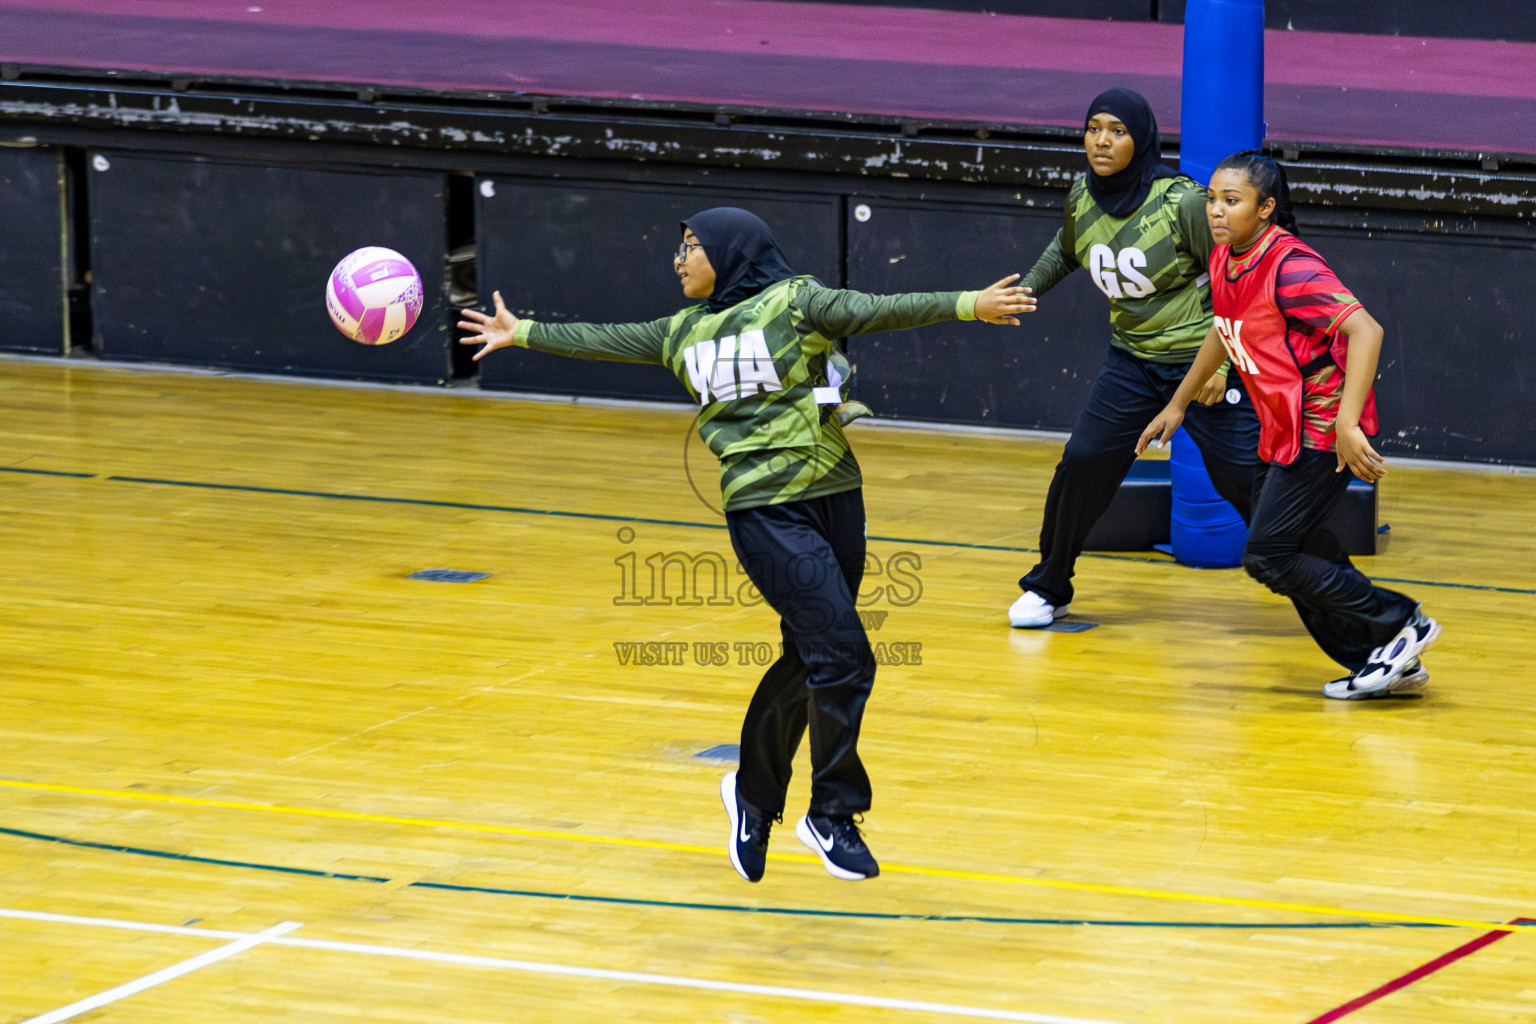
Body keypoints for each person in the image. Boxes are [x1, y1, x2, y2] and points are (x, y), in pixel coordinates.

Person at [458, 207, 1034, 880]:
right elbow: (601, 338)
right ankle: (833, 813)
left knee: (810, 657)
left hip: (836, 498)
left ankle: (753, 797)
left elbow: (878, 309)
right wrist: (521, 331)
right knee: (845, 656)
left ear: (731, 252)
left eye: (691, 246)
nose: (679, 260)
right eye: (679, 248)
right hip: (763, 514)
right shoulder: (679, 331)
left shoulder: (796, 303)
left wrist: (969, 303)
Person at [1138, 152, 1439, 699]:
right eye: (1212, 199)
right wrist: (1178, 404)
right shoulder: (1225, 257)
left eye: (1232, 201)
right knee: (1305, 551)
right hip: (1280, 426)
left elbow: (1366, 331)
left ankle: (1402, 622)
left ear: (1266, 208)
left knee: (1268, 555)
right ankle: (1380, 658)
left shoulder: (1291, 267)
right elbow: (1223, 329)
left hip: (1321, 428)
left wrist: (1347, 424)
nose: (1216, 210)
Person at [1007, 88, 1261, 628]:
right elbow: (1067, 247)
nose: (1102, 141)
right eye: (1094, 128)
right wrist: (1026, 290)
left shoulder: (1182, 203)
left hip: (1202, 363)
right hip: (1132, 361)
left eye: (1117, 131)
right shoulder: (1082, 194)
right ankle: (1049, 586)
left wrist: (1221, 366)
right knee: (1083, 462)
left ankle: (1328, 579)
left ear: (1141, 139)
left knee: (1245, 479)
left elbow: (1235, 280)